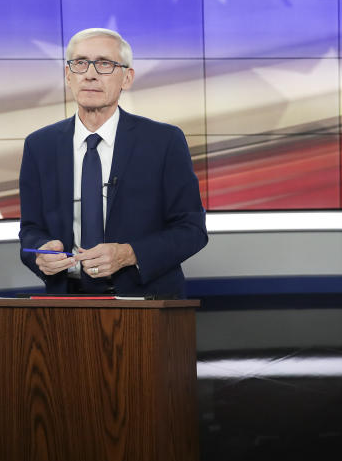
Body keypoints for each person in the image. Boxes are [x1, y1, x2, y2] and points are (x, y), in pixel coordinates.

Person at [19, 28, 207, 297]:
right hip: (65, 305)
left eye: (105, 64)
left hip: (145, 303)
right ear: (68, 76)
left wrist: (129, 254)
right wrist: (41, 253)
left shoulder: (164, 142)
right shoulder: (40, 145)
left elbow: (192, 230)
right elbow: (30, 230)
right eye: (80, 63)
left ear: (127, 78)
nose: (91, 74)